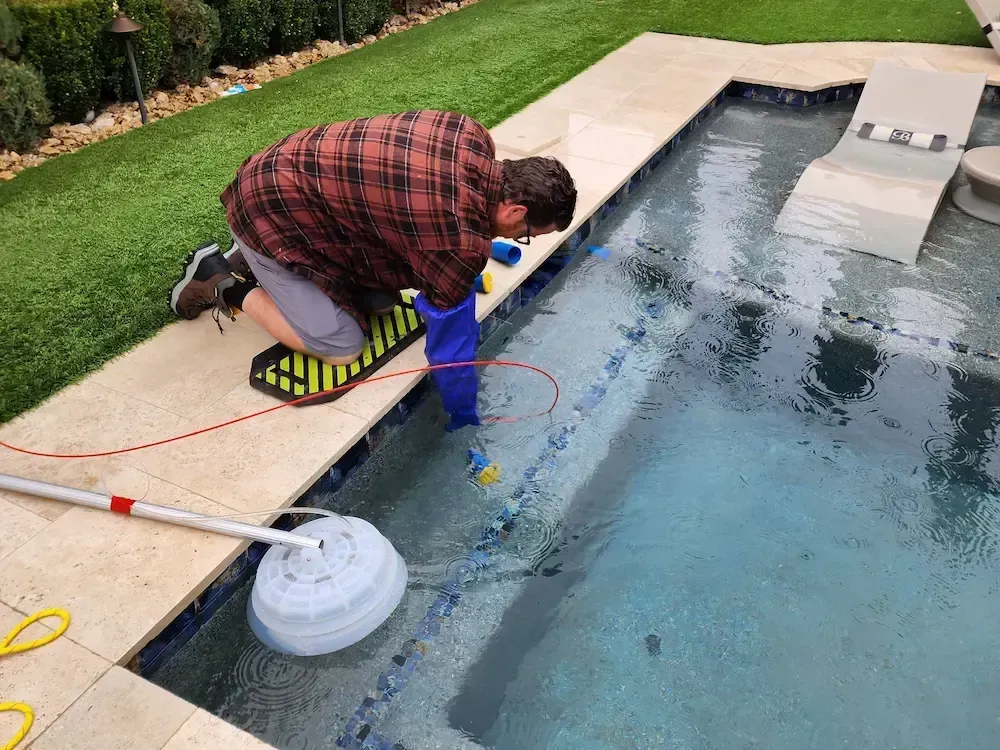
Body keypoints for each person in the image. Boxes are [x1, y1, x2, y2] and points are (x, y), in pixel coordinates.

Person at [170, 109, 577, 430]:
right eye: (527, 234)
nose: (517, 239)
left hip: (284, 177)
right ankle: (221, 279)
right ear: (515, 210)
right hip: (263, 210)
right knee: (342, 347)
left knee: (382, 302)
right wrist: (463, 413)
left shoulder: (472, 133)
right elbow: (450, 352)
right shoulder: (458, 242)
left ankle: (261, 260)